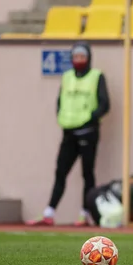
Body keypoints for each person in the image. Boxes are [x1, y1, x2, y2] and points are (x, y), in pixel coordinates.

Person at [27, 42, 110, 226]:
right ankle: (49, 212)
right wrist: (61, 116)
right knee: (60, 171)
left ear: (88, 58)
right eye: (76, 57)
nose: (79, 60)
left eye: (82, 57)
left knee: (87, 173)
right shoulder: (67, 77)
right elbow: (60, 100)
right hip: (69, 132)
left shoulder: (97, 77)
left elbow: (105, 104)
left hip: (88, 132)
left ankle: (85, 213)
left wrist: (89, 118)